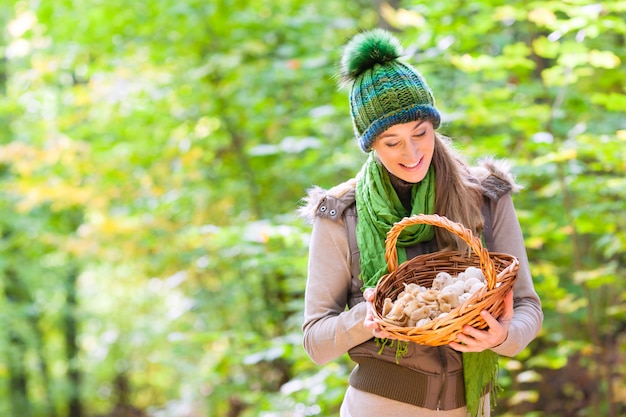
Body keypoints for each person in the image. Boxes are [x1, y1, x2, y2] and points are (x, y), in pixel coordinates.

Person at [300, 29, 543, 417]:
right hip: (380, 407)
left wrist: (503, 337)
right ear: (371, 145)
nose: (411, 152)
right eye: (391, 142)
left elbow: (528, 305)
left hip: (471, 405)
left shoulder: (487, 196)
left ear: (434, 126)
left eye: (420, 133)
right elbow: (315, 341)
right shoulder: (340, 215)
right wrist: (367, 318)